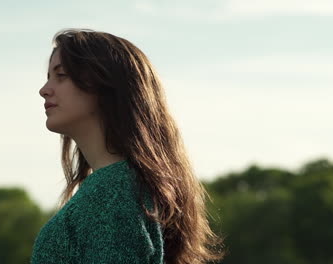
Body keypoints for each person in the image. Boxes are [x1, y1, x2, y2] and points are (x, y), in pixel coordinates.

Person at [32, 28, 225, 264]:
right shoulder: (121, 187)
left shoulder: (113, 194)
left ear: (106, 85)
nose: (44, 90)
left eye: (61, 75)